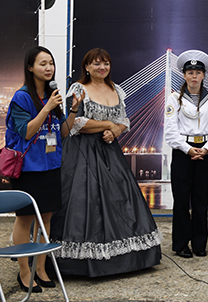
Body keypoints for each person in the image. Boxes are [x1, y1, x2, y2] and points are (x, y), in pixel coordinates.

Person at [51, 48, 162, 277]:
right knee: (83, 201)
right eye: (96, 63)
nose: (102, 67)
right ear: (87, 67)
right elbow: (75, 123)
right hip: (82, 153)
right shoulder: (79, 89)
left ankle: (127, 259)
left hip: (110, 152)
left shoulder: (117, 89)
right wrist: (107, 125)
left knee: (121, 199)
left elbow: (123, 120)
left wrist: (115, 130)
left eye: (106, 63)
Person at [5, 47, 79, 292]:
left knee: (46, 218)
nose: (48, 68)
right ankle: (24, 271)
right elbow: (26, 132)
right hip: (28, 168)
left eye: (51, 63)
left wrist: (73, 110)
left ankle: (40, 267)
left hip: (51, 165)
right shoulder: (22, 97)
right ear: (30, 67)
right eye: (42, 64)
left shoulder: (52, 94)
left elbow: (63, 132)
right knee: (25, 219)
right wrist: (47, 108)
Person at [164, 50, 208, 258]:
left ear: (203, 75)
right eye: (190, 73)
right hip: (182, 153)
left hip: (205, 152)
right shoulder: (174, 99)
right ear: (184, 75)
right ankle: (181, 244)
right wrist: (188, 149)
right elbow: (171, 132)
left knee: (201, 200)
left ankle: (199, 244)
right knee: (181, 201)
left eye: (198, 72)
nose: (194, 76)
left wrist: (206, 148)